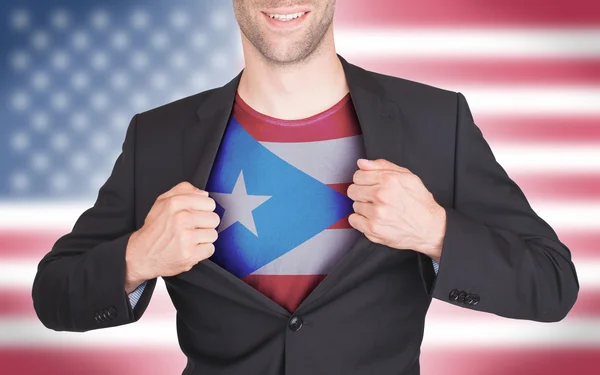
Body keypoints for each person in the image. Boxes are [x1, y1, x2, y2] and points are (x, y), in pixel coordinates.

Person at [32, 1, 579, 374]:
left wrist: (437, 233)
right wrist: (137, 257)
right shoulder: (158, 136)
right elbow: (54, 294)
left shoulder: (436, 121)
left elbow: (552, 284)